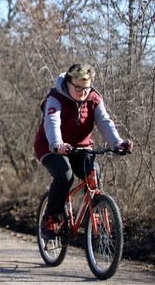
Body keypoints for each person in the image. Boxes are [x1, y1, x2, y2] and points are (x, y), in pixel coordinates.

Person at [35, 63, 133, 239]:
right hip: (51, 145)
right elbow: (52, 122)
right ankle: (51, 217)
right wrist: (57, 144)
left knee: (94, 173)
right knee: (65, 175)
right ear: (68, 83)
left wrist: (117, 142)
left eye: (86, 88)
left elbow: (104, 121)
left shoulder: (94, 99)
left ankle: (94, 214)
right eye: (78, 87)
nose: (83, 92)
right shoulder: (56, 98)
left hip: (80, 147)